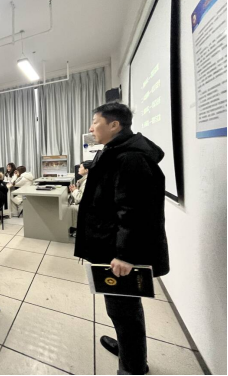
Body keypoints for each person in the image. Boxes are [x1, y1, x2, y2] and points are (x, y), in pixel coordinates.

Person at [75, 102, 170, 376]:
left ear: (114, 125)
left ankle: (132, 367)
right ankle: (129, 350)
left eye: (95, 122)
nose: (91, 127)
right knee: (120, 308)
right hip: (109, 244)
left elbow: (134, 211)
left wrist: (125, 255)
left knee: (124, 310)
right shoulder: (115, 151)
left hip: (119, 252)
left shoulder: (131, 159)